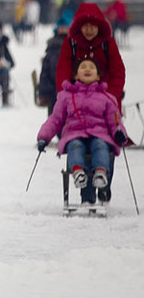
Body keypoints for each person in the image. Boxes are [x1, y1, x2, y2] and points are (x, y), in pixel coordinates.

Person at [36, 59, 128, 206]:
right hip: (75, 134)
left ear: (98, 76)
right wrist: (43, 137)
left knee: (101, 146)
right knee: (75, 146)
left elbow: (115, 121)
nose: (87, 69)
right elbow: (55, 119)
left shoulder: (106, 98)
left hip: (99, 134)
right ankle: (78, 172)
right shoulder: (66, 96)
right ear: (76, 75)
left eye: (91, 67)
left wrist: (119, 133)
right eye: (83, 67)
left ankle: (100, 172)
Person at [36, 20, 70, 113]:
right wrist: (43, 92)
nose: (63, 30)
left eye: (65, 27)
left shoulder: (73, 44)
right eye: (61, 27)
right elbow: (45, 73)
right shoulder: (52, 45)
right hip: (53, 86)